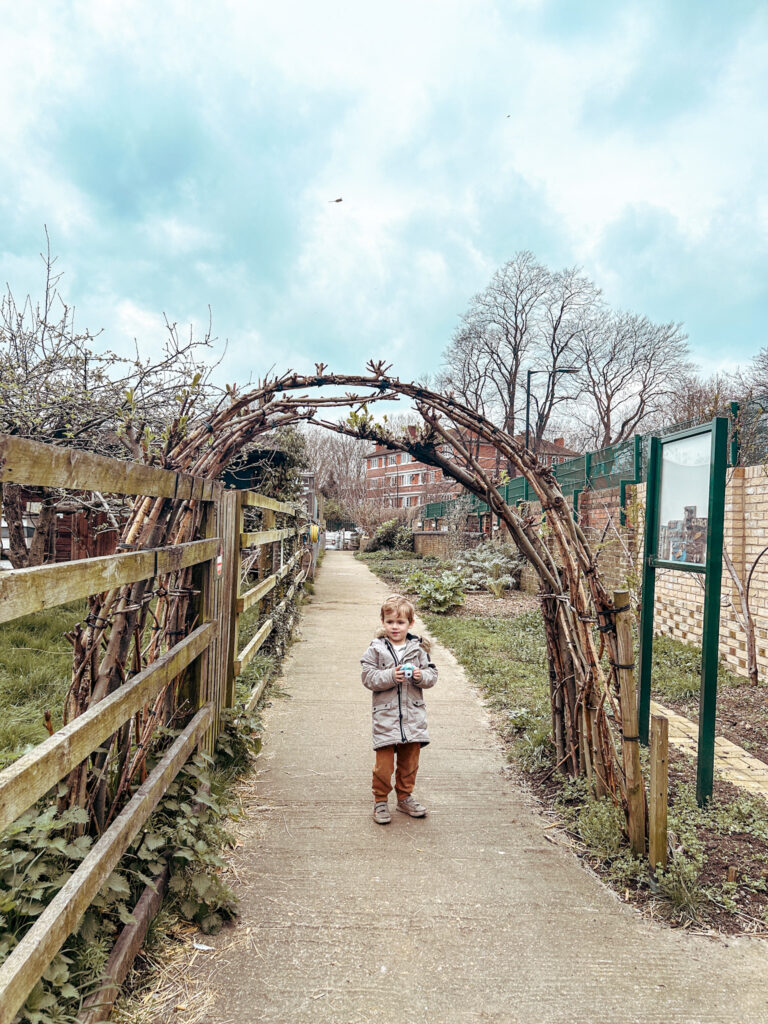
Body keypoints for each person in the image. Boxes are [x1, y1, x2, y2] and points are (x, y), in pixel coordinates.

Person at [360, 594, 438, 824]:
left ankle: (404, 797)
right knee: (383, 767)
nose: (395, 627)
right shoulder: (375, 649)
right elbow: (368, 677)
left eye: (401, 622)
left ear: (410, 624)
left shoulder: (419, 649)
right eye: (390, 622)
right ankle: (380, 801)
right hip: (385, 716)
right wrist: (390, 676)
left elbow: (432, 676)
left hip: (413, 716)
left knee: (409, 763)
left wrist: (420, 675)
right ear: (383, 622)